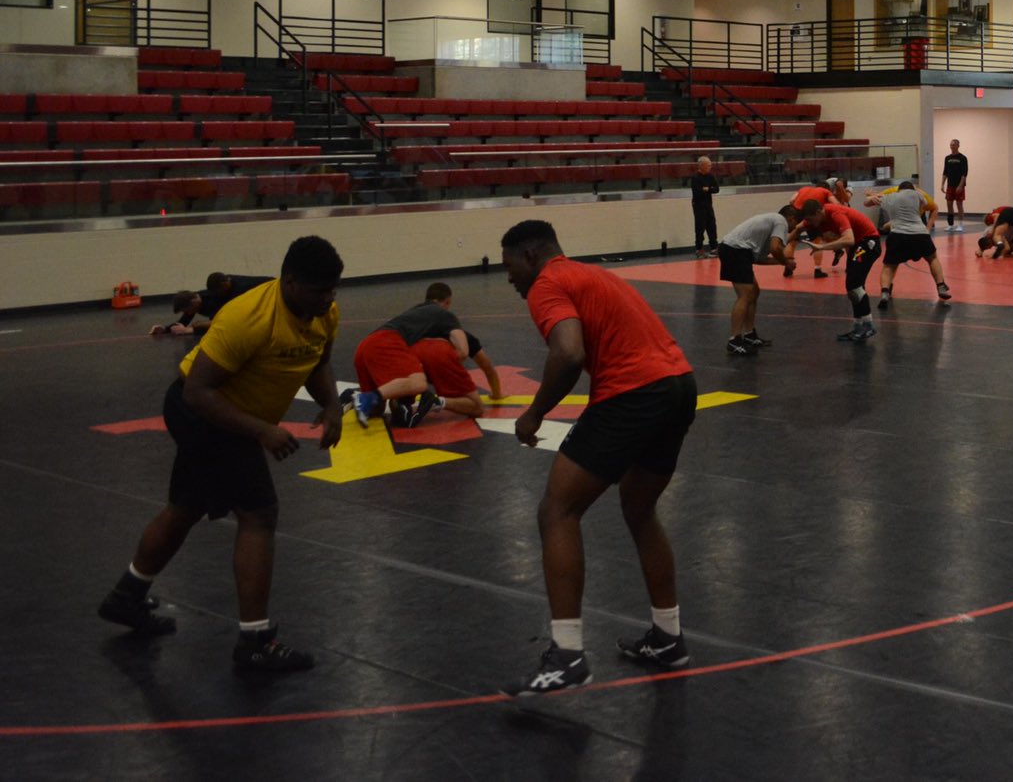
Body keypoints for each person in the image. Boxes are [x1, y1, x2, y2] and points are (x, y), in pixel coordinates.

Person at [98, 236, 346, 673]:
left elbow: (317, 362)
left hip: (232, 416)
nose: (327, 300)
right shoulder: (248, 318)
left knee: (186, 506)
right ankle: (255, 641)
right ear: (290, 282)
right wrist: (263, 431)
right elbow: (196, 392)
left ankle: (126, 597)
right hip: (203, 412)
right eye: (318, 291)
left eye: (332, 290)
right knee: (259, 513)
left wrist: (330, 406)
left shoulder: (323, 311)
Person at [498, 220, 699, 695]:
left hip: (633, 392)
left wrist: (534, 414)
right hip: (678, 384)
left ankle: (567, 655)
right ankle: (668, 637)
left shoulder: (547, 283)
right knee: (638, 506)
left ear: (529, 256)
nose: (510, 280)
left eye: (510, 268)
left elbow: (568, 353)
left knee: (558, 510)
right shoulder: (593, 274)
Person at [348, 283, 500, 427]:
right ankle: (435, 402)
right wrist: (450, 371)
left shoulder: (414, 314)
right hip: (397, 344)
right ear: (447, 302)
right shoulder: (446, 317)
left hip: (366, 346)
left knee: (377, 410)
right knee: (421, 384)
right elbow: (465, 352)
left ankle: (355, 396)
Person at [718, 206, 798, 355]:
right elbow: (775, 248)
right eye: (793, 225)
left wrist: (783, 261)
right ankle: (734, 340)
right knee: (745, 295)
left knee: (754, 292)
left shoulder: (769, 226)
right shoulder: (781, 221)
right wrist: (786, 262)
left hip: (737, 251)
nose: (789, 230)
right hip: (735, 250)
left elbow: (759, 259)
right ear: (791, 218)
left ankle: (749, 335)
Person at [802, 197, 884, 343]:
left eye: (811, 219)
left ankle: (868, 324)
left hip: (868, 242)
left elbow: (849, 239)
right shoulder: (820, 217)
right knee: (852, 286)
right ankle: (859, 326)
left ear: (818, 212)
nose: (812, 223)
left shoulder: (835, 213)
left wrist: (821, 247)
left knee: (854, 284)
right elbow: (797, 229)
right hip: (858, 245)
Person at [874, 179, 952, 307]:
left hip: (897, 234)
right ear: (912, 189)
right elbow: (930, 207)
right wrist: (928, 228)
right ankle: (941, 285)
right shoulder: (919, 194)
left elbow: (869, 202)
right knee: (932, 258)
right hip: (919, 233)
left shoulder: (890, 195)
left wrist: (872, 196)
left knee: (889, 265)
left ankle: (884, 292)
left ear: (899, 189)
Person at [147, 271, 262, 337]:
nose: (188, 313)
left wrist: (190, 330)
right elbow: (183, 322)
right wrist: (164, 329)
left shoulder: (213, 301)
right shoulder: (194, 302)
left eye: (187, 310)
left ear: (193, 302)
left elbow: (219, 324)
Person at [784, 182, 840, 278]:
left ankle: (788, 267)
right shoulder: (825, 191)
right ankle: (817, 270)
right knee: (817, 241)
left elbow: (791, 200)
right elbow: (836, 204)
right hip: (811, 214)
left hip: (797, 212)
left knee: (792, 242)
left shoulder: (804, 188)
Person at [689, 155, 721, 256]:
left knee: (712, 225)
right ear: (701, 166)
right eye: (708, 165)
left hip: (708, 204)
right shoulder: (695, 178)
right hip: (699, 205)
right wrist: (707, 189)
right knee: (700, 227)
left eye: (710, 165)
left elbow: (716, 189)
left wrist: (707, 189)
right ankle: (699, 249)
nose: (710, 167)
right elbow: (698, 192)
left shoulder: (711, 176)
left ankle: (714, 247)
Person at [941, 139, 969, 228]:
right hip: (950, 185)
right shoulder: (947, 158)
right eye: (951, 145)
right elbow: (945, 172)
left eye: (954, 145)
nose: (952, 146)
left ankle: (960, 224)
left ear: (958, 146)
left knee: (959, 204)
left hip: (959, 185)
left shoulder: (962, 158)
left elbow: (964, 173)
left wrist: (960, 185)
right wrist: (942, 184)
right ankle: (950, 224)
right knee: (949, 204)